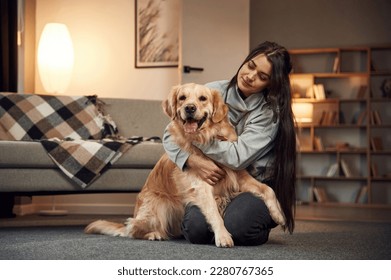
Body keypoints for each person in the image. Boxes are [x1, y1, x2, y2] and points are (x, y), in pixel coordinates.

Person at [163, 41, 296, 246]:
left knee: (240, 227)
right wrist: (190, 160)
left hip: (248, 181)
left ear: (271, 83)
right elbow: (170, 133)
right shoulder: (213, 90)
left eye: (262, 76)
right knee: (196, 230)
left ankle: (250, 218)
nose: (250, 76)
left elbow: (236, 158)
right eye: (251, 65)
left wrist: (194, 139)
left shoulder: (269, 113)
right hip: (215, 182)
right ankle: (218, 219)